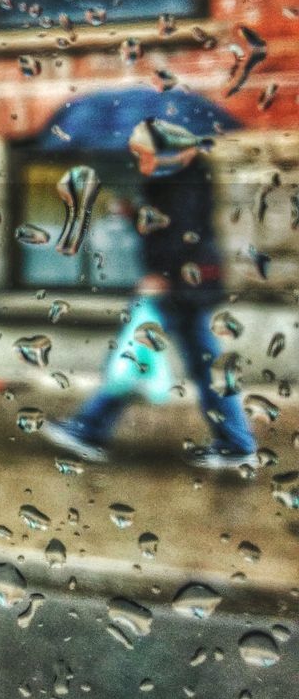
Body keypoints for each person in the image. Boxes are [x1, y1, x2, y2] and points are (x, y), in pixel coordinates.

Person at [42, 149, 258, 469]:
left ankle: (90, 428)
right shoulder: (180, 173)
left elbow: (185, 232)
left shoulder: (181, 177)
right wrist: (134, 214)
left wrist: (163, 276)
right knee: (198, 362)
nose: (143, 152)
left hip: (179, 283)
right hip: (189, 283)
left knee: (135, 352)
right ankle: (236, 442)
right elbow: (169, 224)